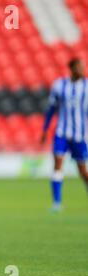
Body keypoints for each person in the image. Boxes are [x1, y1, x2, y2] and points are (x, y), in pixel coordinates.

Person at [40, 57, 88, 212]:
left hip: (80, 135)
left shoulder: (87, 87)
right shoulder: (60, 86)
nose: (82, 70)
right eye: (79, 67)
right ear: (72, 69)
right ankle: (57, 203)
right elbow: (51, 109)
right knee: (57, 165)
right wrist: (45, 130)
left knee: (83, 171)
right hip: (62, 133)